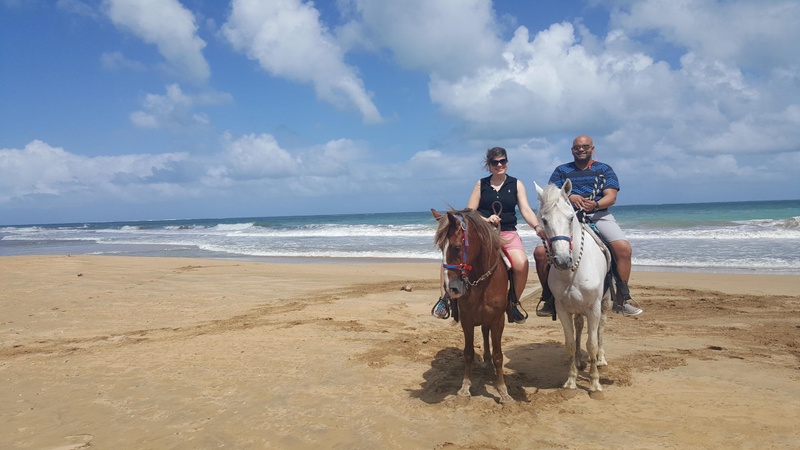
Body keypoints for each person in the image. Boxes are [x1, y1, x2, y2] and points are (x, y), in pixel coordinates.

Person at [433, 147, 547, 323]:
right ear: (489, 165)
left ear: (507, 162)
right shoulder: (481, 184)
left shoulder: (516, 184)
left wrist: (538, 227)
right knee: (451, 259)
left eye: (503, 161)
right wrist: (486, 220)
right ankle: (444, 300)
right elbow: (470, 212)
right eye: (495, 162)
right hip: (482, 232)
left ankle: (513, 303)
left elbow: (525, 209)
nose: (500, 165)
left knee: (521, 263)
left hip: (507, 232)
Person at [533, 135, 643, 318]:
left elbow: (611, 196)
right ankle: (548, 298)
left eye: (585, 147)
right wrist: (570, 197)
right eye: (577, 147)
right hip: (567, 218)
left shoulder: (604, 169)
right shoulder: (562, 170)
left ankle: (622, 299)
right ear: (572, 150)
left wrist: (596, 204)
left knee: (623, 249)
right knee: (539, 253)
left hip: (598, 214)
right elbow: (551, 195)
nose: (581, 150)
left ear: (592, 149)